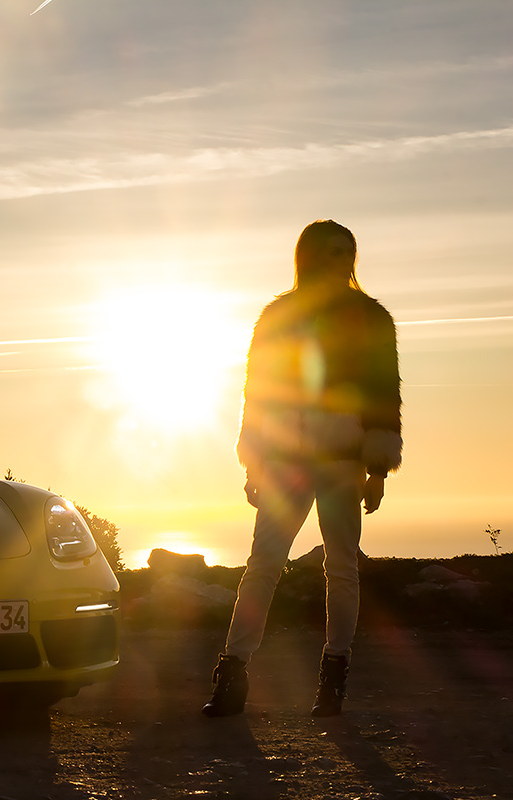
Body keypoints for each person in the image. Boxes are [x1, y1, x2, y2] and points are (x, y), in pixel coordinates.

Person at [202, 220, 402, 718]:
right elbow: (259, 391)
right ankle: (232, 674)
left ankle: (333, 680)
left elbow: (383, 395)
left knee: (342, 567)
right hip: (284, 463)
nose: (338, 260)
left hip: (342, 462)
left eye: (346, 251)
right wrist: (253, 460)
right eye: (328, 251)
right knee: (263, 566)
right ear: (307, 256)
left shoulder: (371, 318)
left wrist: (377, 467)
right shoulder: (277, 316)